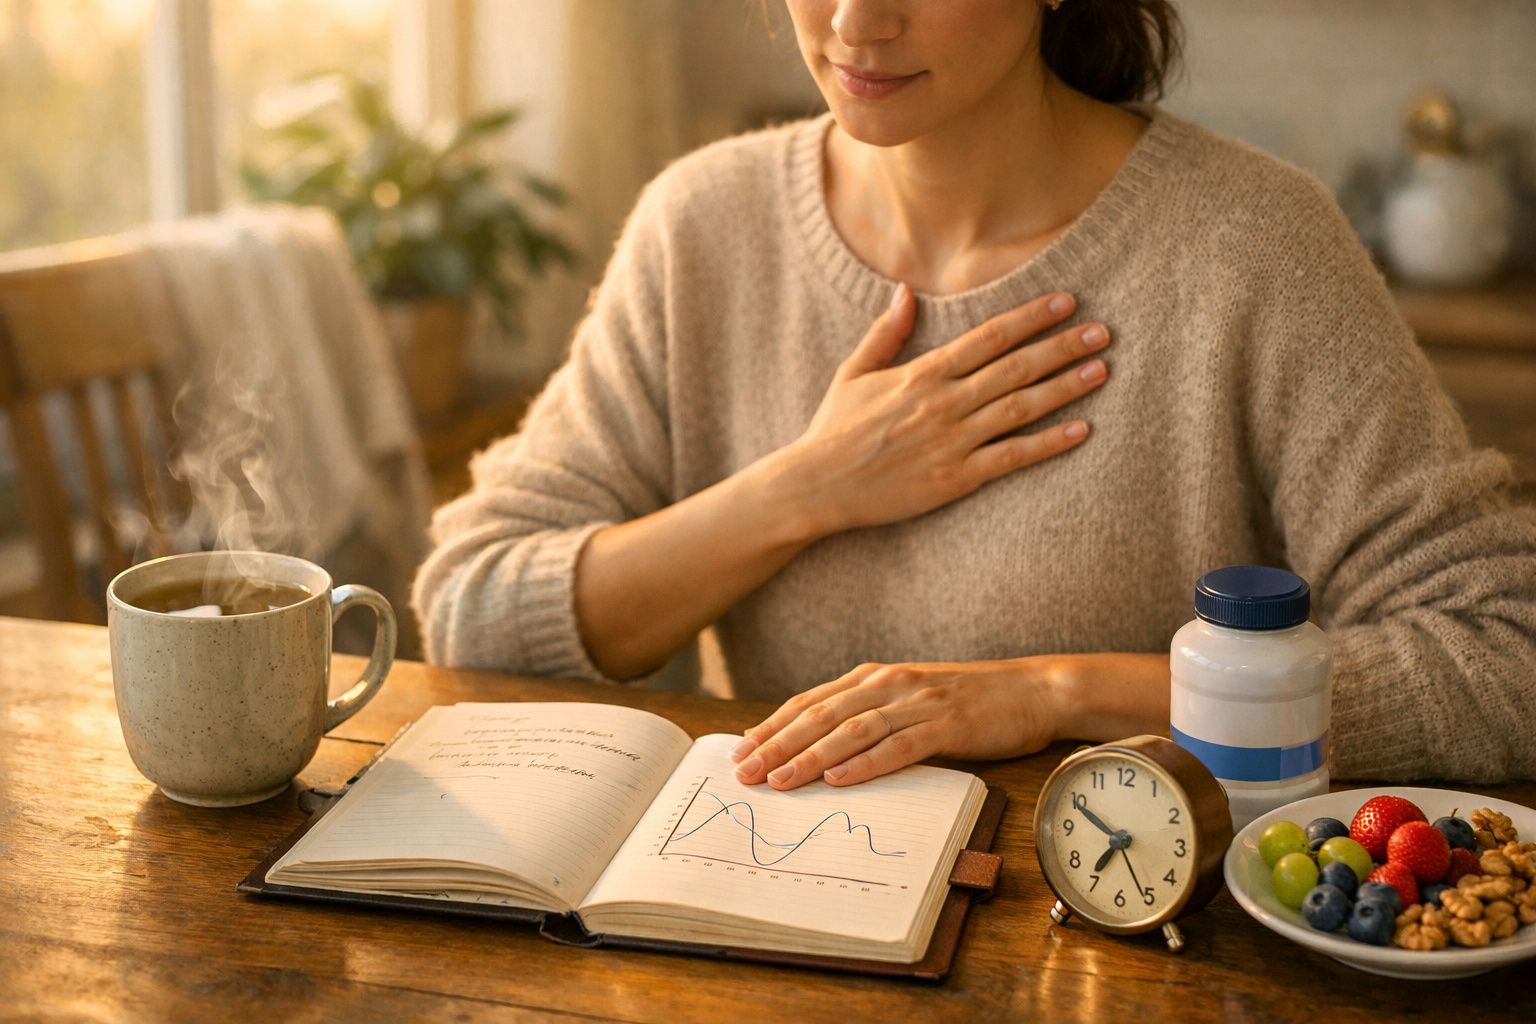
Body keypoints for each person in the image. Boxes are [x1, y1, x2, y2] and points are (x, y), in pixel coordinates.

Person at [413, 0, 1536, 792]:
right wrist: (804, 490)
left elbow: (1502, 658)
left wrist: (1051, 694)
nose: (857, 20)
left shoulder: (1255, 248)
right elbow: (471, 601)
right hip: (784, 927)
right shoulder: (702, 224)